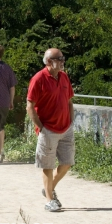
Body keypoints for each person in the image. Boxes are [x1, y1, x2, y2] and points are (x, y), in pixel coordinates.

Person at [26, 48, 75, 212]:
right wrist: (41, 127)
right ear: (48, 62)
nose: (62, 61)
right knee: (47, 165)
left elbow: (69, 101)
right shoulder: (38, 79)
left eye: (63, 58)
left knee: (67, 163)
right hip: (48, 130)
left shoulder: (64, 77)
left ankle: (49, 188)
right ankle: (49, 200)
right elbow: (30, 106)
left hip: (65, 128)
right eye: (58, 59)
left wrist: (71, 120)